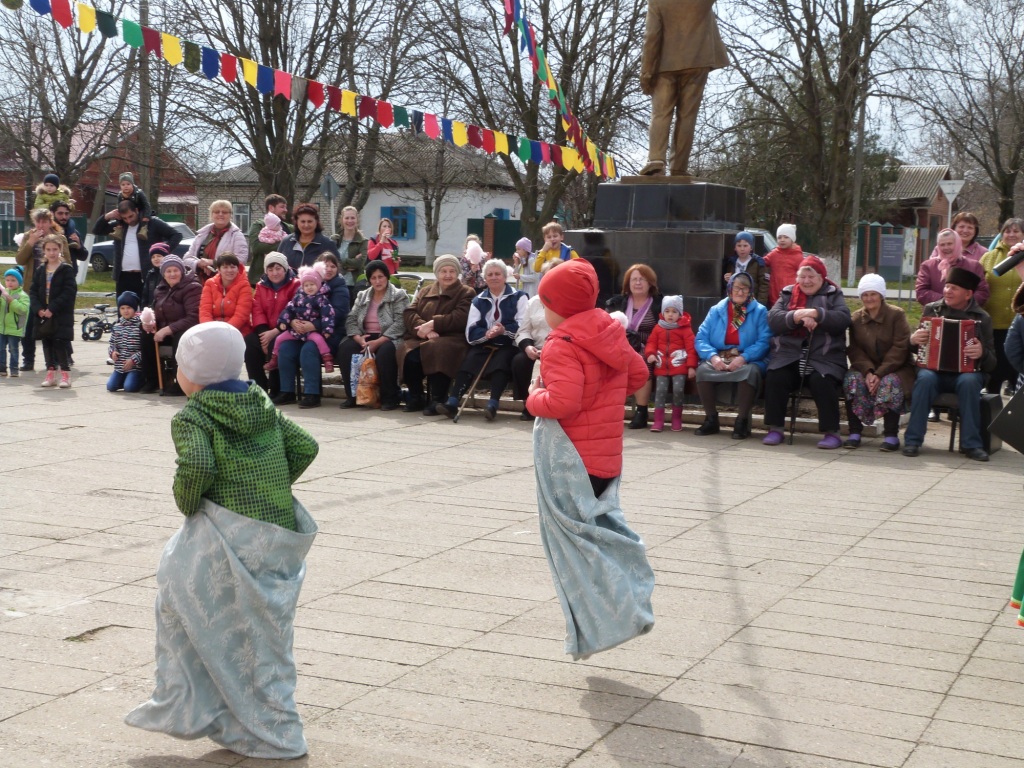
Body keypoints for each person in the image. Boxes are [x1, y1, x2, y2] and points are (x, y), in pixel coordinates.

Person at [125, 322, 318, 760]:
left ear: (194, 375)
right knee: (264, 630)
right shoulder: (260, 400)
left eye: (180, 366)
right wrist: (269, 484)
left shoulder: (194, 415)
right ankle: (262, 718)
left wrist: (188, 503)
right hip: (276, 532)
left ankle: (204, 704)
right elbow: (305, 445)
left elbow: (197, 466)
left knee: (193, 607)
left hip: (227, 530)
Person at [525, 258, 654, 660]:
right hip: (605, 459)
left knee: (576, 545)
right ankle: (620, 605)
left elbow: (563, 402)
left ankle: (620, 608)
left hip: (572, 460)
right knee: (599, 533)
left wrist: (533, 397)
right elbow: (637, 376)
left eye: (545, 302)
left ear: (558, 306)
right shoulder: (610, 331)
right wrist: (605, 389)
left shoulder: (561, 345)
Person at [902, 267, 996, 461]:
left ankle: (972, 444)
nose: (947, 292)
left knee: (969, 381)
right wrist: (913, 341)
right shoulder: (932, 310)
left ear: (968, 294)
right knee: (925, 377)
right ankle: (913, 440)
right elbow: (916, 351)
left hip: (966, 375)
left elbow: (992, 363)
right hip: (934, 373)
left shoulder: (981, 318)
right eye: (946, 287)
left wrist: (982, 353)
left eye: (954, 288)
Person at [762, 255, 851, 448]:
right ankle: (775, 428)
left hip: (824, 356)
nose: (806, 281)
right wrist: (796, 315)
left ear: (822, 278)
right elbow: (773, 319)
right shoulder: (787, 293)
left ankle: (832, 433)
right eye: (802, 277)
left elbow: (843, 319)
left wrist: (817, 314)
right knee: (776, 376)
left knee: (822, 380)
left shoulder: (833, 294)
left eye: (812, 276)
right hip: (789, 355)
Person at [638, 0, 727, 177]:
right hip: (698, 60)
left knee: (661, 113)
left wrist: (647, 72)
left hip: (666, 63)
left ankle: (656, 160)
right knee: (688, 115)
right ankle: (679, 166)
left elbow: (651, 36)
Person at [436, 259, 528, 421]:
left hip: (509, 343)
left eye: (497, 274)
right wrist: (487, 333)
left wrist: (503, 330)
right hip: (485, 342)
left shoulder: (519, 297)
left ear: (505, 277)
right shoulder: (478, 300)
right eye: (490, 275)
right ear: (485, 279)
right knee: (470, 360)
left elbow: (523, 324)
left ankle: (492, 404)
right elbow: (471, 330)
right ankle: (452, 402)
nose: (494, 277)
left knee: (501, 362)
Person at [694, 272, 771, 439]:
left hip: (748, 357)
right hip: (719, 355)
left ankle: (742, 421)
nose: (741, 292)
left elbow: (764, 341)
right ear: (730, 289)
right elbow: (701, 338)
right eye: (737, 288)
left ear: (751, 291)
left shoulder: (759, 311)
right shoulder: (716, 310)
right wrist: (713, 357)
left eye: (745, 289)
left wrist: (744, 357)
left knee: (749, 372)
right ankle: (711, 419)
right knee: (702, 371)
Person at [843, 273, 915, 452]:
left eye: (873, 294)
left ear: (881, 295)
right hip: (866, 368)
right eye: (865, 295)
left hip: (897, 367)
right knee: (852, 380)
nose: (869, 298)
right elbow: (854, 349)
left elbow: (900, 347)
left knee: (889, 382)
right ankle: (854, 432)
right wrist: (868, 372)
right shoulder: (855, 318)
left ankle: (891, 435)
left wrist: (879, 374)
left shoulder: (896, 315)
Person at [398, 253, 475, 414]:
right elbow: (409, 312)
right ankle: (417, 395)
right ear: (436, 273)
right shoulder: (425, 291)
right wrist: (423, 330)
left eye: (452, 271)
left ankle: (437, 399)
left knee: (439, 350)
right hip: (423, 337)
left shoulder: (466, 292)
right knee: (408, 353)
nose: (448, 275)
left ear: (458, 273)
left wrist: (433, 324)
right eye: (443, 271)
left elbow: (461, 317)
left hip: (453, 339)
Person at [336, 260, 409, 410]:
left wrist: (379, 341)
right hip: (365, 337)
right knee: (345, 349)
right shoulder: (362, 295)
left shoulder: (398, 295)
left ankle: (389, 397)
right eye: (373, 278)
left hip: (389, 337)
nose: (377, 281)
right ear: (369, 280)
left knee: (385, 353)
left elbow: (401, 322)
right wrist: (358, 338)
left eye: (381, 277)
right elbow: (351, 319)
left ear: (387, 277)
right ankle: (353, 396)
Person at [606, 264, 662, 428]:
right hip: (621, 345)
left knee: (642, 360)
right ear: (627, 283)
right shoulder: (617, 303)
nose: (638, 283)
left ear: (650, 283)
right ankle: (611, 410)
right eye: (634, 279)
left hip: (648, 346)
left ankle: (641, 411)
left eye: (642, 279)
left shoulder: (658, 304)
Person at [15, 208, 71, 371]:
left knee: (54, 326)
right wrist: (31, 242)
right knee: (29, 326)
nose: (41, 225)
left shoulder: (59, 238)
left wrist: (55, 256)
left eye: (44, 221)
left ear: (50, 222)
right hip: (33, 287)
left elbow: (67, 262)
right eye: (38, 221)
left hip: (54, 289)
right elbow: (20, 259)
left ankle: (55, 359)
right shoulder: (28, 236)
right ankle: (28, 359)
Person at [139, 255, 202, 396]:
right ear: (163, 274)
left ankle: (180, 382)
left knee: (181, 336)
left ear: (181, 271)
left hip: (186, 330)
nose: (172, 274)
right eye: (168, 271)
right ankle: (153, 379)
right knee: (146, 333)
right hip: (166, 330)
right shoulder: (160, 289)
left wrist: (168, 329)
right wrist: (150, 323)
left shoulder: (192, 287)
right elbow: (155, 311)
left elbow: (193, 317)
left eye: (175, 270)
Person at [93, 199, 182, 298]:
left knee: (147, 310)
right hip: (123, 276)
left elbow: (176, 235)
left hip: (146, 275)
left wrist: (162, 251)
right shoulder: (119, 226)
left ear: (136, 210)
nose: (129, 220)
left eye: (131, 216)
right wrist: (107, 216)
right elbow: (97, 230)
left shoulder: (152, 223)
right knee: (124, 310)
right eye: (125, 218)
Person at [979, 218, 1024, 395]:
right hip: (994, 322)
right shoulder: (989, 257)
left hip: (1017, 322)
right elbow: (980, 286)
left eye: (1016, 231)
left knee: (1015, 367)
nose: (1011, 234)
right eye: (1007, 231)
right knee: (996, 371)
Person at [266, 265, 336, 375]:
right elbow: (288, 309)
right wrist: (284, 322)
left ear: (317, 285)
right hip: (296, 330)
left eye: (312, 284)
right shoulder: (298, 297)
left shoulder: (321, 299)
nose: (309, 288)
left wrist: (327, 330)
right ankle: (274, 358)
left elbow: (328, 315)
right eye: (306, 285)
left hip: (311, 330)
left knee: (319, 340)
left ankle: (327, 359)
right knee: (279, 339)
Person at [245, 252, 299, 394]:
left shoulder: (296, 285)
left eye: (278, 268)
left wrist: (275, 331)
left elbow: (293, 310)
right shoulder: (261, 286)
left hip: (285, 330)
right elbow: (257, 310)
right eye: (270, 269)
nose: (274, 273)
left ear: (285, 268)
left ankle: (277, 388)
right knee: (250, 342)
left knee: (275, 343)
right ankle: (258, 388)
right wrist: (263, 334)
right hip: (265, 329)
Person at [644, 294, 697, 432]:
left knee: (678, 390)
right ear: (662, 313)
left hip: (679, 366)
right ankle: (658, 420)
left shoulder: (685, 329)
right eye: (667, 311)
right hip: (661, 366)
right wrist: (650, 354)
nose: (670, 315)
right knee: (660, 392)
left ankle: (676, 418)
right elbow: (651, 343)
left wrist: (691, 366)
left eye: (674, 312)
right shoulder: (658, 328)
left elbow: (691, 349)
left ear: (680, 313)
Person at [30, 234, 78, 389]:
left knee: (60, 343)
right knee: (47, 342)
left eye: (55, 249)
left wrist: (53, 308)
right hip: (44, 315)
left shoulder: (66, 269)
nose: (52, 252)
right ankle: (51, 373)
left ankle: (65, 373)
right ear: (44, 251)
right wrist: (39, 309)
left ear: (60, 249)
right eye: (48, 249)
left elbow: (69, 292)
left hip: (60, 314)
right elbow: (33, 291)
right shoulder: (40, 270)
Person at [915, 228, 989, 307]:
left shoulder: (974, 266)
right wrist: (945, 301)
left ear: (957, 244)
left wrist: (962, 303)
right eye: (942, 244)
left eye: (949, 244)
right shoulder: (928, 266)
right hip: (936, 314)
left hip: (966, 314)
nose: (946, 247)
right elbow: (921, 292)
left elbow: (982, 292)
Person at [184, 200, 249, 280]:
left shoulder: (236, 235)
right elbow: (186, 259)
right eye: (217, 212)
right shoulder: (202, 234)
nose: (220, 214)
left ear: (230, 215)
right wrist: (199, 263)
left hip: (225, 282)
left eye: (224, 212)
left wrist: (212, 263)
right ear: (211, 215)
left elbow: (241, 260)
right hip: (199, 282)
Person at [198, 253, 252, 337]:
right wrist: (210, 330)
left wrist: (225, 332)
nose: (229, 270)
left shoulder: (244, 285)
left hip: (237, 330)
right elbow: (205, 311)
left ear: (238, 269)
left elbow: (241, 315)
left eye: (233, 267)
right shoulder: (209, 284)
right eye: (225, 267)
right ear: (218, 269)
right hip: (212, 330)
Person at [247, 194, 293, 287]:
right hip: (260, 279)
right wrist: (284, 244)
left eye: (286, 207)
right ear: (271, 208)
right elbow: (256, 247)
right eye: (282, 207)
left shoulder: (290, 228)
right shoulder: (259, 225)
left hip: (285, 281)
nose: (285, 210)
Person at [279, 203, 340, 271]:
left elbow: (337, 272)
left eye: (310, 221)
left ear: (316, 222)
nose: (306, 225)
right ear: (296, 222)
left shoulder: (328, 244)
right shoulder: (286, 242)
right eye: (303, 221)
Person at [106, 291, 144, 393]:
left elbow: (146, 348)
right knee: (111, 386)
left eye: (129, 308)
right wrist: (112, 352)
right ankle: (125, 379)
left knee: (129, 388)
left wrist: (134, 360)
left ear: (134, 309)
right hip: (120, 366)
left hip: (135, 366)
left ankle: (139, 380)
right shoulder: (117, 326)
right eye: (122, 308)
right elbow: (112, 343)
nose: (125, 311)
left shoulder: (140, 325)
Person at [764, 223, 805, 307]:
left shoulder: (798, 256)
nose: (782, 240)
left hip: (791, 295)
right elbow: (762, 261)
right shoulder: (774, 254)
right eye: (779, 237)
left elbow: (803, 274)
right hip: (774, 295)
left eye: (786, 237)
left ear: (792, 239)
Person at [723, 231, 769, 305]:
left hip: (752, 300)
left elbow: (764, 284)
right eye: (739, 245)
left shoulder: (758, 262)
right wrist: (727, 279)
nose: (742, 249)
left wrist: (761, 303)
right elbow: (727, 285)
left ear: (751, 247)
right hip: (735, 300)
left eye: (745, 246)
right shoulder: (731, 262)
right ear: (735, 248)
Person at [0, 267, 30, 377]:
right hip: (2, 327)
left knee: (13, 349)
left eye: (13, 280)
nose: (10, 283)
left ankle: (14, 369)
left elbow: (23, 310)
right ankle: (2, 368)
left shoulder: (23, 296)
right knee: (1, 349)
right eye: (7, 280)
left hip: (15, 328)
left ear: (19, 282)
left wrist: (11, 300)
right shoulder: (3, 293)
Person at [331, 205, 368, 288]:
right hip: (336, 284)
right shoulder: (334, 239)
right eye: (347, 218)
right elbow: (330, 262)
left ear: (357, 219)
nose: (350, 221)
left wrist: (340, 262)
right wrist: (350, 263)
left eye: (352, 218)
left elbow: (359, 263)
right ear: (342, 220)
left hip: (356, 285)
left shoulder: (363, 241)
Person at [51, 201, 84, 265]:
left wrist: (79, 246)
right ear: (52, 214)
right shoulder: (47, 231)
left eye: (66, 214)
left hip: (69, 273)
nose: (64, 217)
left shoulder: (73, 232)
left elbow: (83, 257)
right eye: (60, 213)